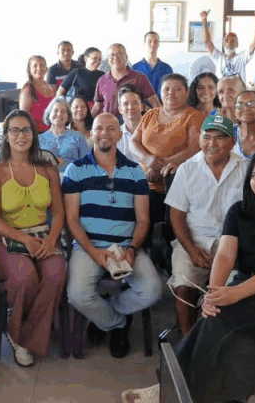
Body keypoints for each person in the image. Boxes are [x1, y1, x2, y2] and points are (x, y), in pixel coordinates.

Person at [122, 151, 255, 403]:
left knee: (218, 317)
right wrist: (213, 293)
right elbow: (224, 256)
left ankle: (169, 390)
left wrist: (232, 294)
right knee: (220, 321)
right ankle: (192, 392)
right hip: (245, 288)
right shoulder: (239, 211)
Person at [62, 113, 161, 358]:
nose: (104, 133)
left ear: (119, 134)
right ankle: (117, 324)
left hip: (126, 246)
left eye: (110, 128)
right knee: (76, 295)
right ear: (91, 134)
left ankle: (105, 314)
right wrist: (93, 251)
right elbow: (71, 219)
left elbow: (143, 220)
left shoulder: (135, 172)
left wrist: (132, 249)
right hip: (88, 246)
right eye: (99, 128)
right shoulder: (75, 170)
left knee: (152, 291)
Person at [0, 111, 67, 367]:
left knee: (55, 273)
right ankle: (27, 334)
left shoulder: (47, 169)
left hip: (43, 236)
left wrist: (51, 241)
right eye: (15, 130)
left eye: (26, 130)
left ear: (34, 134)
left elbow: (59, 212)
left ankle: (18, 333)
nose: (21, 135)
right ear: (6, 136)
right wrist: (24, 239)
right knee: (25, 276)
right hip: (4, 239)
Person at [164, 114, 247, 336]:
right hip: (193, 241)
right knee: (184, 288)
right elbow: (176, 215)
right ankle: (188, 343)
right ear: (199, 139)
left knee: (232, 292)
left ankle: (222, 342)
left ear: (232, 141)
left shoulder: (246, 169)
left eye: (220, 137)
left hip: (232, 243)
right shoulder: (187, 169)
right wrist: (191, 249)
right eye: (207, 137)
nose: (212, 143)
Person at [130, 74, 202, 226]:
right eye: (166, 89)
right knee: (141, 228)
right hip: (143, 186)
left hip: (175, 189)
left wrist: (159, 166)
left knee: (167, 232)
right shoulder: (150, 114)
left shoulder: (194, 116)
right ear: (160, 92)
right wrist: (148, 160)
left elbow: (194, 149)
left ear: (187, 92)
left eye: (177, 89)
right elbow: (133, 142)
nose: (171, 93)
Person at [92, 44, 160, 118]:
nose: (116, 57)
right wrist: (88, 122)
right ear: (107, 60)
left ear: (126, 57)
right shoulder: (102, 81)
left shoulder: (139, 78)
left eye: (120, 54)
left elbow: (154, 102)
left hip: (135, 123)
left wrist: (161, 120)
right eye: (112, 55)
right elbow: (97, 107)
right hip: (110, 123)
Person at [200, 10, 255, 81]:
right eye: (227, 41)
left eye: (232, 41)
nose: (229, 43)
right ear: (224, 44)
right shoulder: (218, 57)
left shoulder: (242, 58)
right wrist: (204, 20)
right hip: (221, 87)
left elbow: (254, 44)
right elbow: (207, 41)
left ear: (237, 44)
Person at [38, 97, 90, 172]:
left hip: (73, 177)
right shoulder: (39, 139)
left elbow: (87, 163)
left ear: (68, 117)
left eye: (63, 112)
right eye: (55, 110)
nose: (59, 114)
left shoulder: (78, 137)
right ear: (49, 114)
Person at [20, 55, 57, 132]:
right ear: (29, 69)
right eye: (35, 66)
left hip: (52, 131)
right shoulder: (28, 89)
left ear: (46, 68)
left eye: (42, 65)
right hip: (36, 133)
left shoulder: (49, 86)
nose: (39, 68)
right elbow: (23, 116)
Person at [132, 32, 174, 100]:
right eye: (149, 41)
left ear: (158, 44)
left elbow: (170, 91)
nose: (153, 44)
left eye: (155, 42)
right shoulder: (135, 68)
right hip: (141, 105)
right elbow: (132, 92)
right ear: (144, 43)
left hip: (162, 105)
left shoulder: (167, 68)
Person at [117, 85, 146, 163]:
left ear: (142, 107)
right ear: (120, 109)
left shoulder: (154, 129)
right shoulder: (115, 135)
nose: (130, 107)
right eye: (126, 104)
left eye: (135, 103)